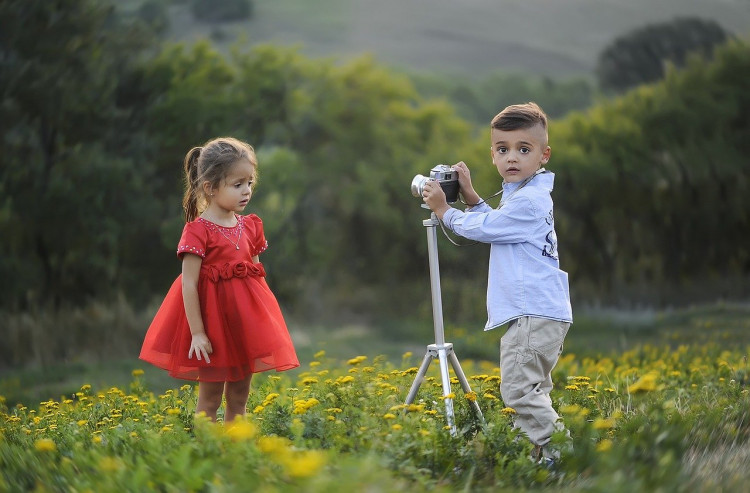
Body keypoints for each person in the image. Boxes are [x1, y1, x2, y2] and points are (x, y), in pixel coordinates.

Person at [421, 102, 572, 464]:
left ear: (543, 155)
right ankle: (542, 459)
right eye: (503, 150)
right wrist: (471, 197)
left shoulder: (530, 201)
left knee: (519, 391)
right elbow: (499, 225)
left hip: (531, 313)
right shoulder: (523, 193)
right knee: (534, 390)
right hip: (541, 311)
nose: (512, 158)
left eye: (524, 149)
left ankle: (563, 456)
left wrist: (445, 210)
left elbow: (486, 229)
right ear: (492, 155)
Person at [140, 137, 299, 422]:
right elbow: (188, 285)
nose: (246, 191)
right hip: (212, 329)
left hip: (243, 326)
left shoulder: (250, 226)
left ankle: (234, 453)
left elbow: (257, 277)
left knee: (239, 397)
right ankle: (210, 453)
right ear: (210, 188)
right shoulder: (198, 231)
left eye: (250, 183)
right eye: (237, 185)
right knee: (210, 400)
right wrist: (199, 333)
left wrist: (263, 324)